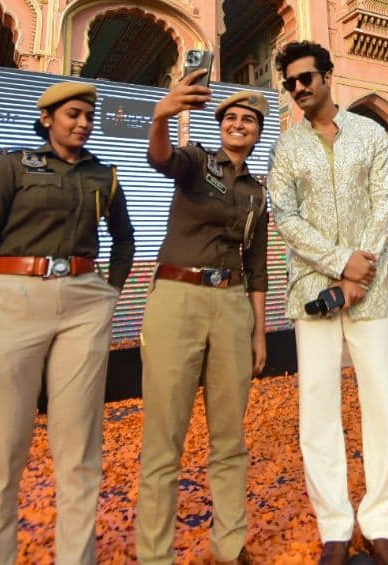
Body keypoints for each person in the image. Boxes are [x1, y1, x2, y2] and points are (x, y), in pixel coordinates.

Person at [0, 81, 135, 564]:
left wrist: (108, 295)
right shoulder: (13, 166)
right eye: (73, 114)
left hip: (83, 304)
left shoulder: (104, 175)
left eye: (88, 116)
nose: (82, 123)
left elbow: (125, 240)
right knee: (1, 451)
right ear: (48, 118)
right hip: (15, 300)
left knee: (79, 451)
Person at [266, 41, 388, 565]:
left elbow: (383, 202)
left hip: (369, 291)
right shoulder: (287, 147)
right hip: (313, 291)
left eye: (306, 78)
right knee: (318, 408)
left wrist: (360, 268)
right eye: (291, 82)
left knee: (381, 403)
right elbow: (286, 216)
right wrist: (341, 262)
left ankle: (380, 519)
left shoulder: (370, 133)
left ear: (327, 76)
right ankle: (334, 524)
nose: (299, 88)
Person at [136, 76, 271, 564]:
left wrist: (259, 332)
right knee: (164, 438)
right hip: (178, 297)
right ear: (221, 128)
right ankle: (155, 555)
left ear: (258, 132)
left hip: (232, 304)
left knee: (230, 439)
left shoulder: (258, 193)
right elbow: (160, 159)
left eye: (249, 120)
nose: (239, 124)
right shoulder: (196, 162)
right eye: (231, 118)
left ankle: (229, 547)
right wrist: (162, 115)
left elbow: (256, 267)